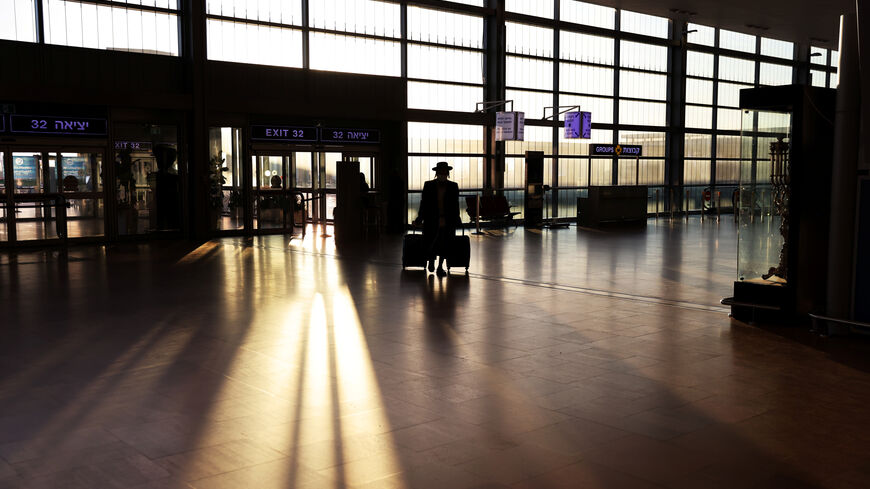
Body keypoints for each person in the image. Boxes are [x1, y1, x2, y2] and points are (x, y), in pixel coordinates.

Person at [413, 161, 460, 276]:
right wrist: (420, 218)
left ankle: (440, 266)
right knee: (431, 241)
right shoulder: (428, 185)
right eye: (441, 172)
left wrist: (457, 218)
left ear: (447, 173)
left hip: (447, 219)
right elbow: (424, 204)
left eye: (444, 172)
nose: (442, 174)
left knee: (445, 243)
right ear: (437, 173)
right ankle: (431, 261)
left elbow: (455, 204)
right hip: (432, 219)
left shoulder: (453, 186)